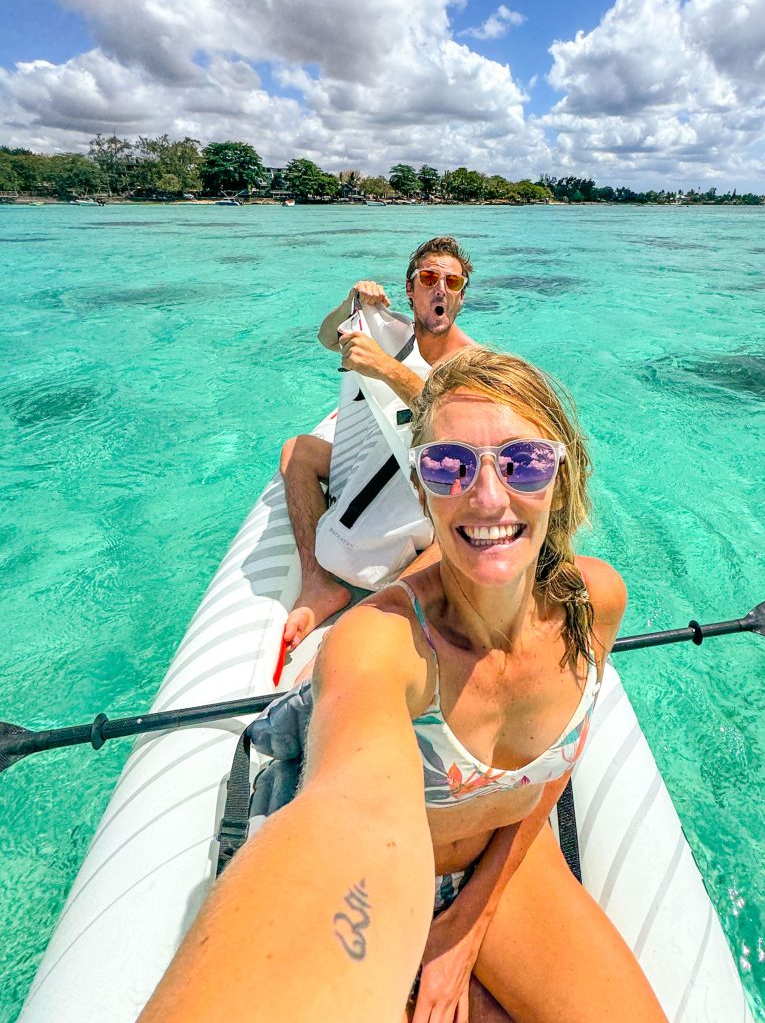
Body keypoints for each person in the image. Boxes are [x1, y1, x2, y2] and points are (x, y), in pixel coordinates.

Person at [143, 348, 668, 1022]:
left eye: (524, 462)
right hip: (394, 879)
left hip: (503, 866)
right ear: (422, 490)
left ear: (559, 482)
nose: (486, 496)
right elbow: (351, 812)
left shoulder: (593, 603)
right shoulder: (383, 643)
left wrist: (466, 927)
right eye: (449, 466)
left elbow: (545, 782)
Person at [279, 236, 476, 653]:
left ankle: (383, 611)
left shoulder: (472, 363)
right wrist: (352, 300)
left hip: (426, 487)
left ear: (460, 298)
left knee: (462, 530)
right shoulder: (391, 332)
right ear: (411, 288)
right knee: (297, 449)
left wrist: (385, 369)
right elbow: (327, 337)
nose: (441, 289)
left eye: (453, 283)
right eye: (429, 278)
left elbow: (455, 425)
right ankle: (317, 584)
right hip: (380, 459)